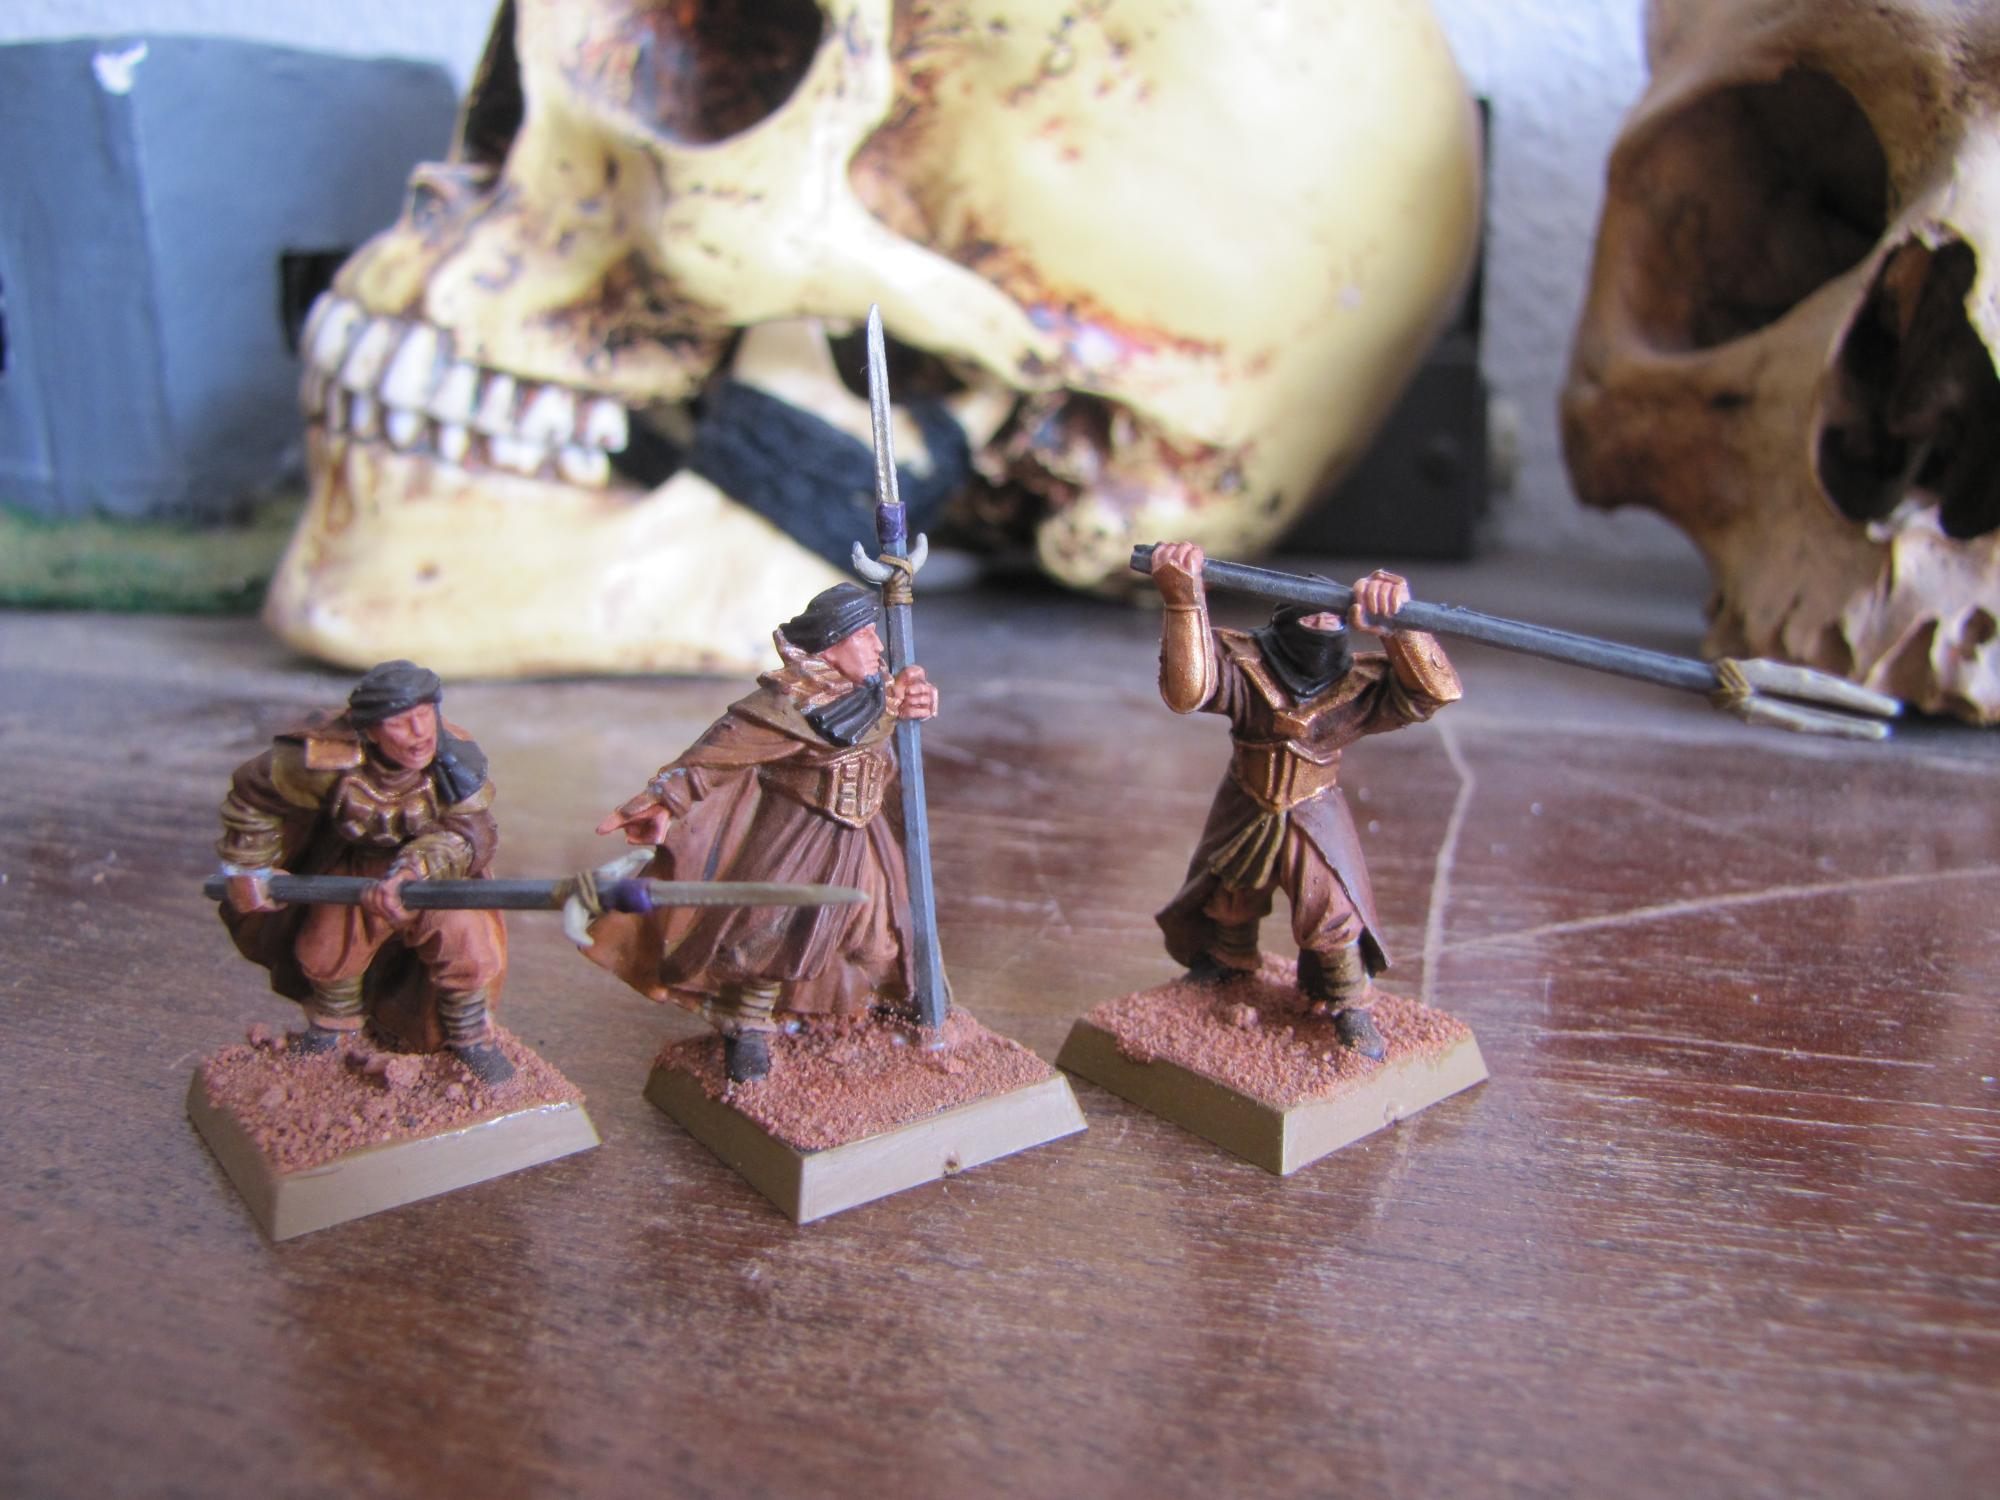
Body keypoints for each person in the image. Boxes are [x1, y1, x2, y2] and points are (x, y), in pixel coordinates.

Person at [587, 582, 938, 1083]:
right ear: (831, 647)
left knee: (877, 934)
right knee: (767, 933)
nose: (878, 645)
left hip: (860, 836)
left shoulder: (877, 688)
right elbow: (714, 756)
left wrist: (917, 697)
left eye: (875, 633)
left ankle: (890, 1001)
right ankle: (747, 1024)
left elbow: (895, 712)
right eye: (864, 636)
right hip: (795, 838)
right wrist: (665, 799)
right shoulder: (787, 704)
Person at [1147, 541, 1462, 1059]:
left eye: (1329, 619)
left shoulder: (1359, 688)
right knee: (1230, 889)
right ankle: (1227, 964)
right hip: (1247, 797)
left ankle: (1347, 1000)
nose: (1319, 624)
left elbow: (1435, 693)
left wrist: (1400, 626)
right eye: (1308, 617)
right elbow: (1189, 691)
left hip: (1314, 808)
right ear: (1282, 625)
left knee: (1330, 907)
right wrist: (1184, 600)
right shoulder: (1248, 668)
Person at [216, 660, 514, 1085]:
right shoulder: (323, 761)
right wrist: (248, 866)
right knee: (325, 950)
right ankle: (333, 1030)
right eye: (400, 722)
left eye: (424, 715)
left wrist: (415, 870)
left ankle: (469, 1037)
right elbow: (253, 796)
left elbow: (472, 834)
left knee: (470, 947)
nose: (419, 733)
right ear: (371, 729)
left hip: (435, 877)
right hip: (354, 870)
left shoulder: (458, 758)